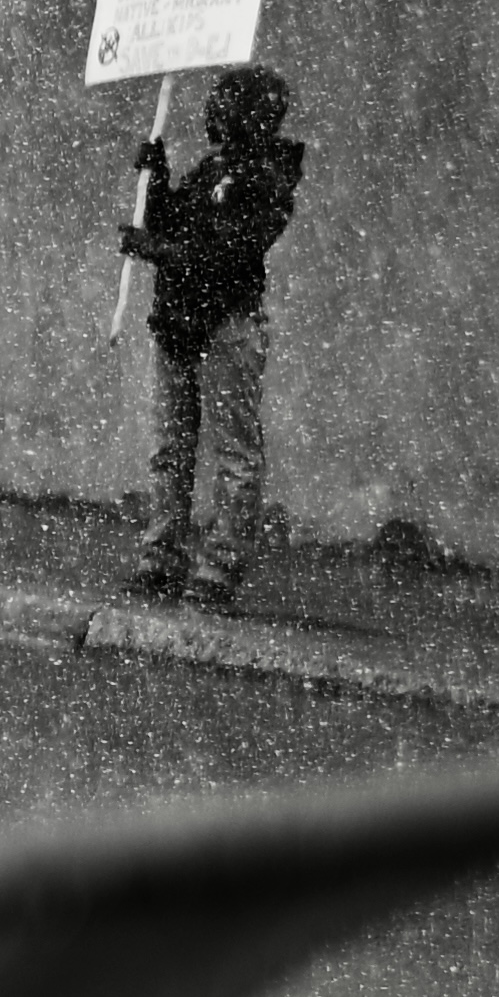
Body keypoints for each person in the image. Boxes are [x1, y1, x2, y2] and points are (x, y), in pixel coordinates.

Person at [124, 61, 308, 605]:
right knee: (170, 449)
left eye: (225, 102)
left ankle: (220, 567)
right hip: (179, 324)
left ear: (253, 115)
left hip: (225, 326)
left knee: (233, 453)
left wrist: (156, 250)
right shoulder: (212, 171)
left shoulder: (268, 179)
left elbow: (225, 254)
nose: (212, 110)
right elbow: (174, 224)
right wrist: (154, 178)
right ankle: (161, 557)